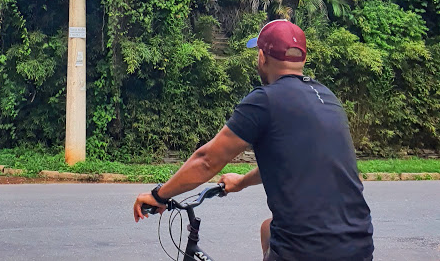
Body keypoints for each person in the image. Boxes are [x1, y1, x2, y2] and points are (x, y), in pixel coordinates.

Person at [133, 19, 374, 261]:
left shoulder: (265, 100)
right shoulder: (327, 97)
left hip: (304, 251)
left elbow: (207, 160)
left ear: (262, 57)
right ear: (302, 58)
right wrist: (241, 182)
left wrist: (159, 195)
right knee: (267, 228)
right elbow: (290, 160)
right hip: (359, 244)